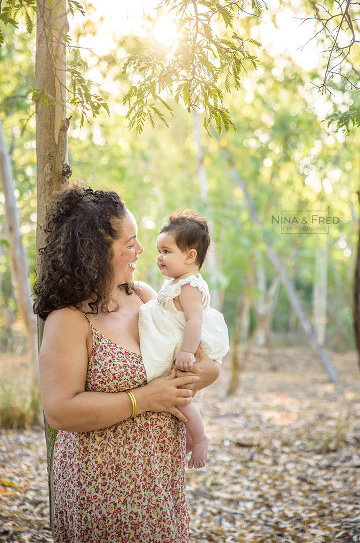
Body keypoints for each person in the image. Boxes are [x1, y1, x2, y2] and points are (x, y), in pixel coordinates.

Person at [36, 186, 220, 541]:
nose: (140, 251)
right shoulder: (69, 319)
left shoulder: (147, 297)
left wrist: (189, 379)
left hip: (160, 480)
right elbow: (59, 411)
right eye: (130, 243)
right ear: (95, 251)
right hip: (103, 491)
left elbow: (208, 364)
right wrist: (146, 398)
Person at [138, 210, 229, 469]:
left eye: (166, 251)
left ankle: (200, 438)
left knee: (179, 398)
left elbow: (195, 321)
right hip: (177, 345)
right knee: (177, 398)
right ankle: (190, 437)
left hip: (187, 348)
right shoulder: (178, 282)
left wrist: (188, 352)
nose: (159, 257)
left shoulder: (190, 286)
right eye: (159, 250)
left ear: (190, 256)